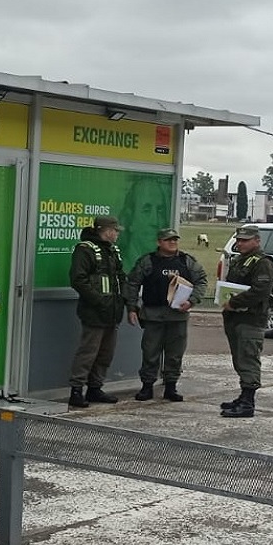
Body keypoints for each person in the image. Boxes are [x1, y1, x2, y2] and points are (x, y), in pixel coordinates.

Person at [124, 228, 208, 402]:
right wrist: (132, 307)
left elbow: (201, 280)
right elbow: (132, 283)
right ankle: (147, 386)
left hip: (177, 316)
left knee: (175, 353)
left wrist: (192, 301)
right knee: (150, 352)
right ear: (159, 242)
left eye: (175, 240)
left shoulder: (186, 261)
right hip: (153, 315)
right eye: (168, 240)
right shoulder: (148, 261)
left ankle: (171, 386)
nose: (172, 242)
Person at [67, 215, 127, 408]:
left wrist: (124, 300)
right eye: (115, 230)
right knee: (88, 352)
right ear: (107, 230)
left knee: (105, 353)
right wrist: (99, 301)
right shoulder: (85, 250)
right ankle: (76, 391)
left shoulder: (112, 251)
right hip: (94, 312)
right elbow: (78, 279)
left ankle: (95, 388)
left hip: (112, 312)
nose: (117, 234)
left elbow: (120, 277)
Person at [219, 224, 273, 419]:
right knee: (240, 358)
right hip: (236, 318)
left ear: (256, 241)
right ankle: (243, 395)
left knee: (248, 358)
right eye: (238, 240)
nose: (239, 243)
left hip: (251, 318)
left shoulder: (262, 262)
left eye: (244, 240)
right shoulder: (241, 260)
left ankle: (248, 402)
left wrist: (233, 302)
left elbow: (260, 291)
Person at [119, 174, 171, 262]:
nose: (155, 221)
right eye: (146, 210)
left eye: (159, 211)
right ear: (130, 218)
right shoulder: (118, 266)